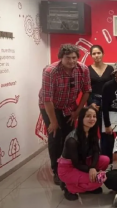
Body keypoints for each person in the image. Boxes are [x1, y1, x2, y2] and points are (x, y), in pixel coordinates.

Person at [38, 44, 91, 185]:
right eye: (68, 58)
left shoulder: (83, 69)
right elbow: (47, 99)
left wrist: (77, 112)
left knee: (69, 138)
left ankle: (67, 166)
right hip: (50, 106)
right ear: (61, 57)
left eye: (74, 58)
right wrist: (54, 122)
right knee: (55, 136)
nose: (72, 61)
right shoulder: (50, 71)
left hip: (69, 106)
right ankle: (56, 171)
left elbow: (86, 91)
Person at [58, 106, 109, 201]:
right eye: (88, 116)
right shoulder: (72, 140)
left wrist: (93, 168)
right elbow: (76, 164)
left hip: (84, 161)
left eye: (94, 116)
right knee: (96, 181)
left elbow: (96, 151)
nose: (92, 119)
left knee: (105, 160)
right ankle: (67, 186)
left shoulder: (91, 132)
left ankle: (85, 183)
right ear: (82, 118)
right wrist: (91, 170)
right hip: (68, 169)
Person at [87, 45, 114, 157]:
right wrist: (90, 103)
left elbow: (114, 87)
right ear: (91, 55)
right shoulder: (87, 69)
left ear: (103, 54)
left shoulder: (110, 69)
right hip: (93, 101)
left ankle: (107, 158)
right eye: (94, 53)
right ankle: (93, 157)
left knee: (108, 130)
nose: (97, 55)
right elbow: (85, 88)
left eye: (99, 53)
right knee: (92, 130)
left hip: (108, 102)